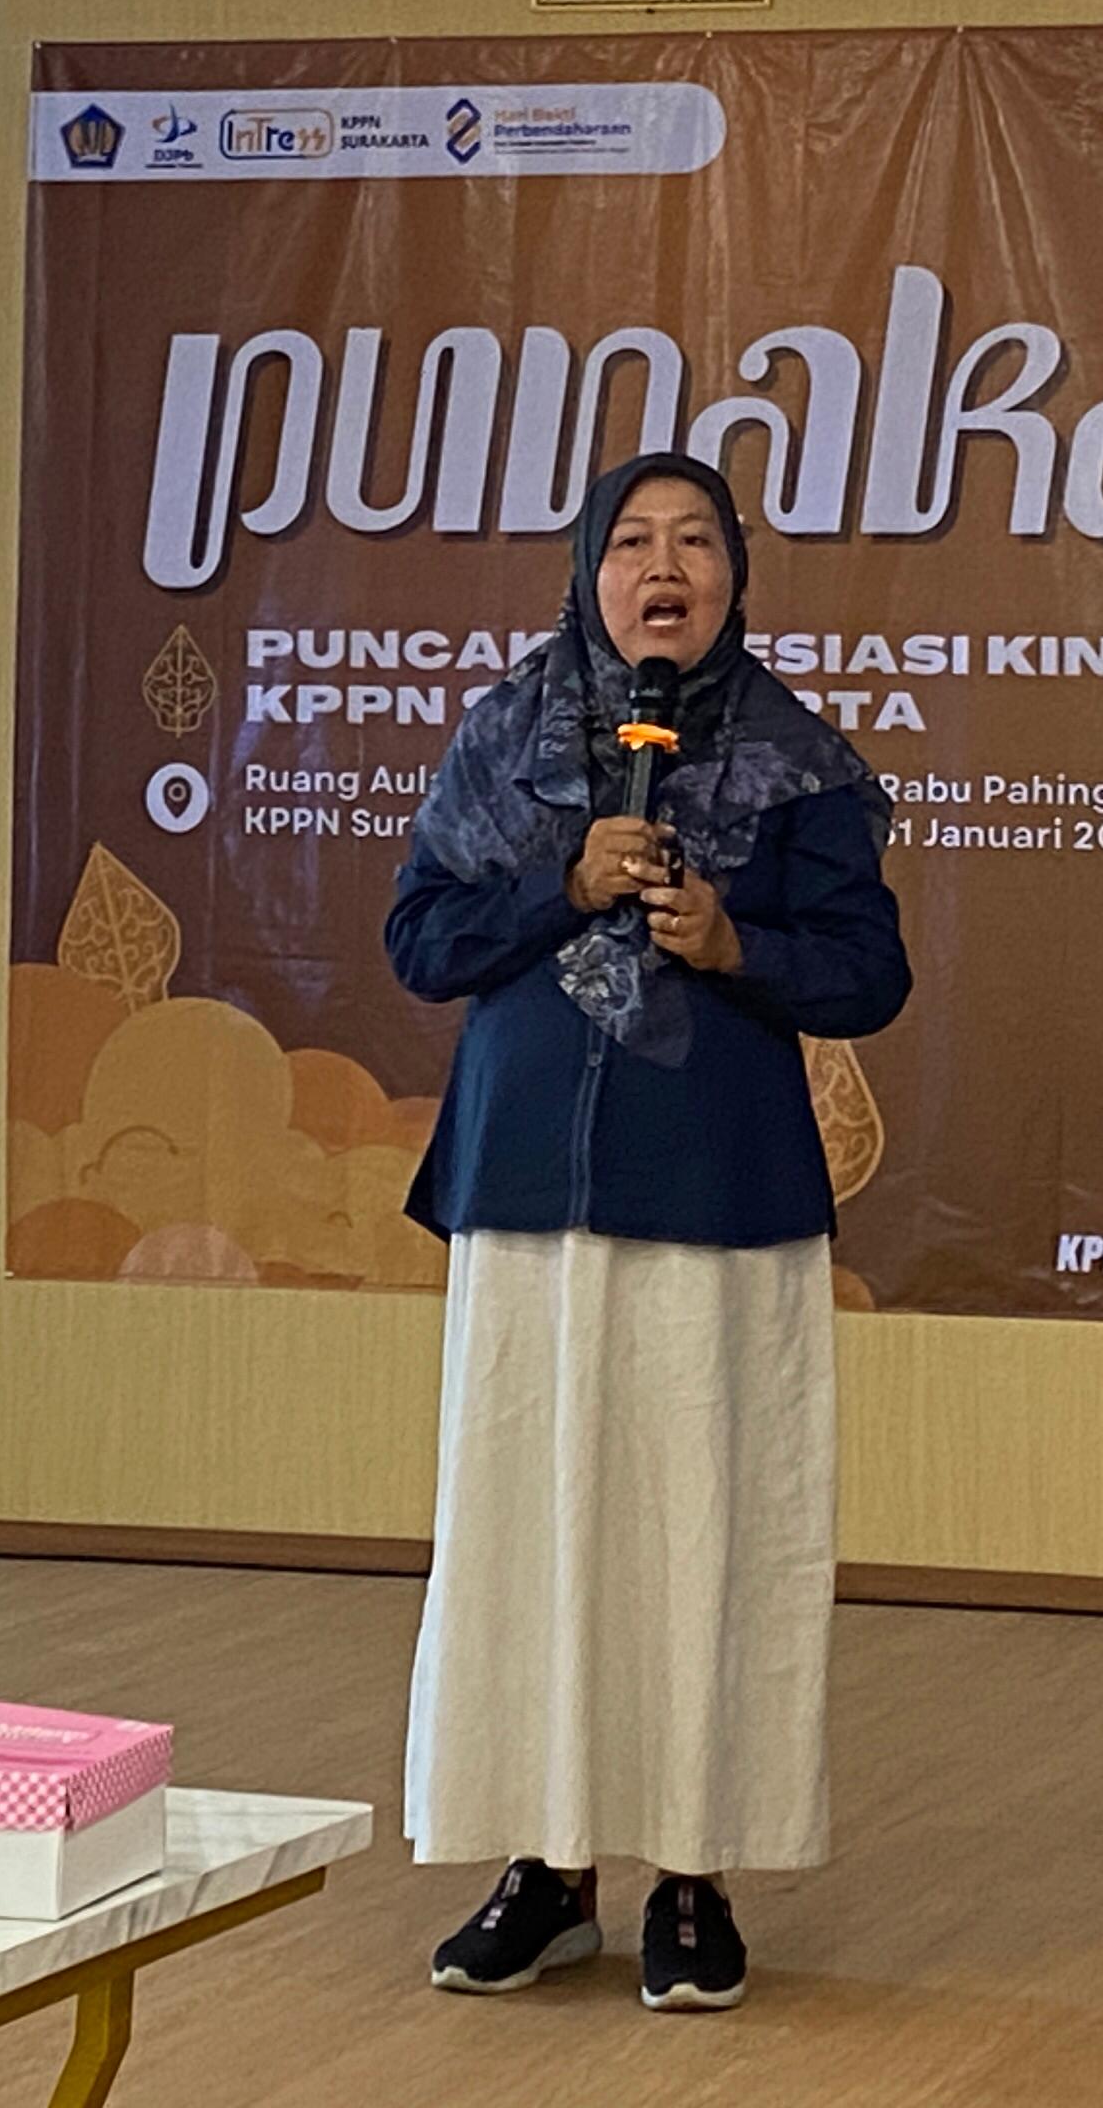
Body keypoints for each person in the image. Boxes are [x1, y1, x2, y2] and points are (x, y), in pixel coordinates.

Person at [384, 451, 909, 2015]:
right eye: (630, 542)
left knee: (704, 1532)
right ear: (587, 574)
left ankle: (694, 1871)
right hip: (529, 1191)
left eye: (693, 542)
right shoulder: (505, 737)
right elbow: (422, 937)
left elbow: (869, 974)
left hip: (716, 1201)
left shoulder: (801, 761)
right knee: (526, 1531)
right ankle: (543, 1870)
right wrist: (564, 883)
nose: (661, 567)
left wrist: (739, 943)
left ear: (736, 578)